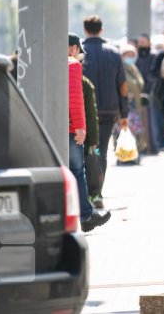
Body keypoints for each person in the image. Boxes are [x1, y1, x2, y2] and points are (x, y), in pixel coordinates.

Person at [81, 15, 128, 209]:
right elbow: (122, 86)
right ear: (101, 30)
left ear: (85, 30)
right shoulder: (114, 52)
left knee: (87, 150)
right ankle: (98, 192)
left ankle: (90, 192)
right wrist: (124, 113)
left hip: (85, 111)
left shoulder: (80, 53)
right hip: (110, 110)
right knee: (101, 151)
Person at [67, 39, 111, 232]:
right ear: (74, 48)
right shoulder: (72, 65)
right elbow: (75, 99)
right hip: (69, 128)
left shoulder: (44, 63)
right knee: (77, 171)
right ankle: (85, 215)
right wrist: (80, 127)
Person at [70, 33, 100, 202]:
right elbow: (83, 108)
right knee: (77, 171)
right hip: (73, 131)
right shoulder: (75, 70)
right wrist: (89, 136)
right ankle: (85, 211)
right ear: (74, 49)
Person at [120, 44, 147, 154]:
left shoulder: (133, 69)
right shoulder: (120, 69)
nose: (130, 58)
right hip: (125, 105)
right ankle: (125, 153)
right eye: (127, 55)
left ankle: (135, 151)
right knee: (128, 128)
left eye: (132, 55)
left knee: (136, 128)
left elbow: (140, 84)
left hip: (135, 104)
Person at [135, 34, 159, 154]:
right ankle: (141, 145)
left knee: (151, 121)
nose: (141, 44)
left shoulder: (153, 56)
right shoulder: (136, 57)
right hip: (137, 93)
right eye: (140, 42)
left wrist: (147, 90)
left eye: (143, 42)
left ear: (149, 43)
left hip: (150, 93)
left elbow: (153, 75)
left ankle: (152, 146)